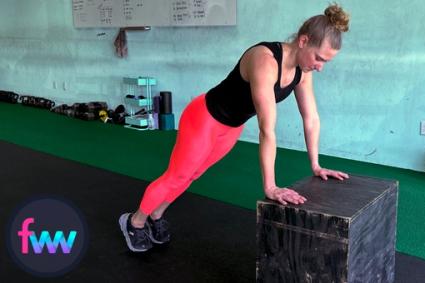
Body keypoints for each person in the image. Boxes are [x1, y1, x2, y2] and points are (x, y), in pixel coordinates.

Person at [119, 3, 350, 252]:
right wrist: (270, 186)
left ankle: (156, 215)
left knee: (193, 175)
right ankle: (135, 222)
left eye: (325, 62)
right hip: (204, 118)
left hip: (231, 127)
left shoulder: (302, 72)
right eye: (319, 58)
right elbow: (267, 129)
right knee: (178, 175)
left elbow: (311, 118)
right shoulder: (265, 61)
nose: (320, 66)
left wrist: (315, 165)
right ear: (304, 41)